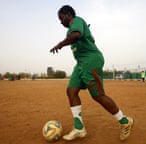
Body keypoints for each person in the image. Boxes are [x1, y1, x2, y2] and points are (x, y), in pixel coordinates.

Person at [50, 5, 134, 141]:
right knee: (71, 91)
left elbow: (77, 35)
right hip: (81, 64)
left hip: (91, 61)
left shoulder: (76, 20)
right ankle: (79, 128)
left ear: (67, 15)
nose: (60, 22)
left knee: (98, 96)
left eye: (61, 18)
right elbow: (89, 39)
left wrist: (60, 44)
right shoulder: (70, 30)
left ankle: (125, 121)